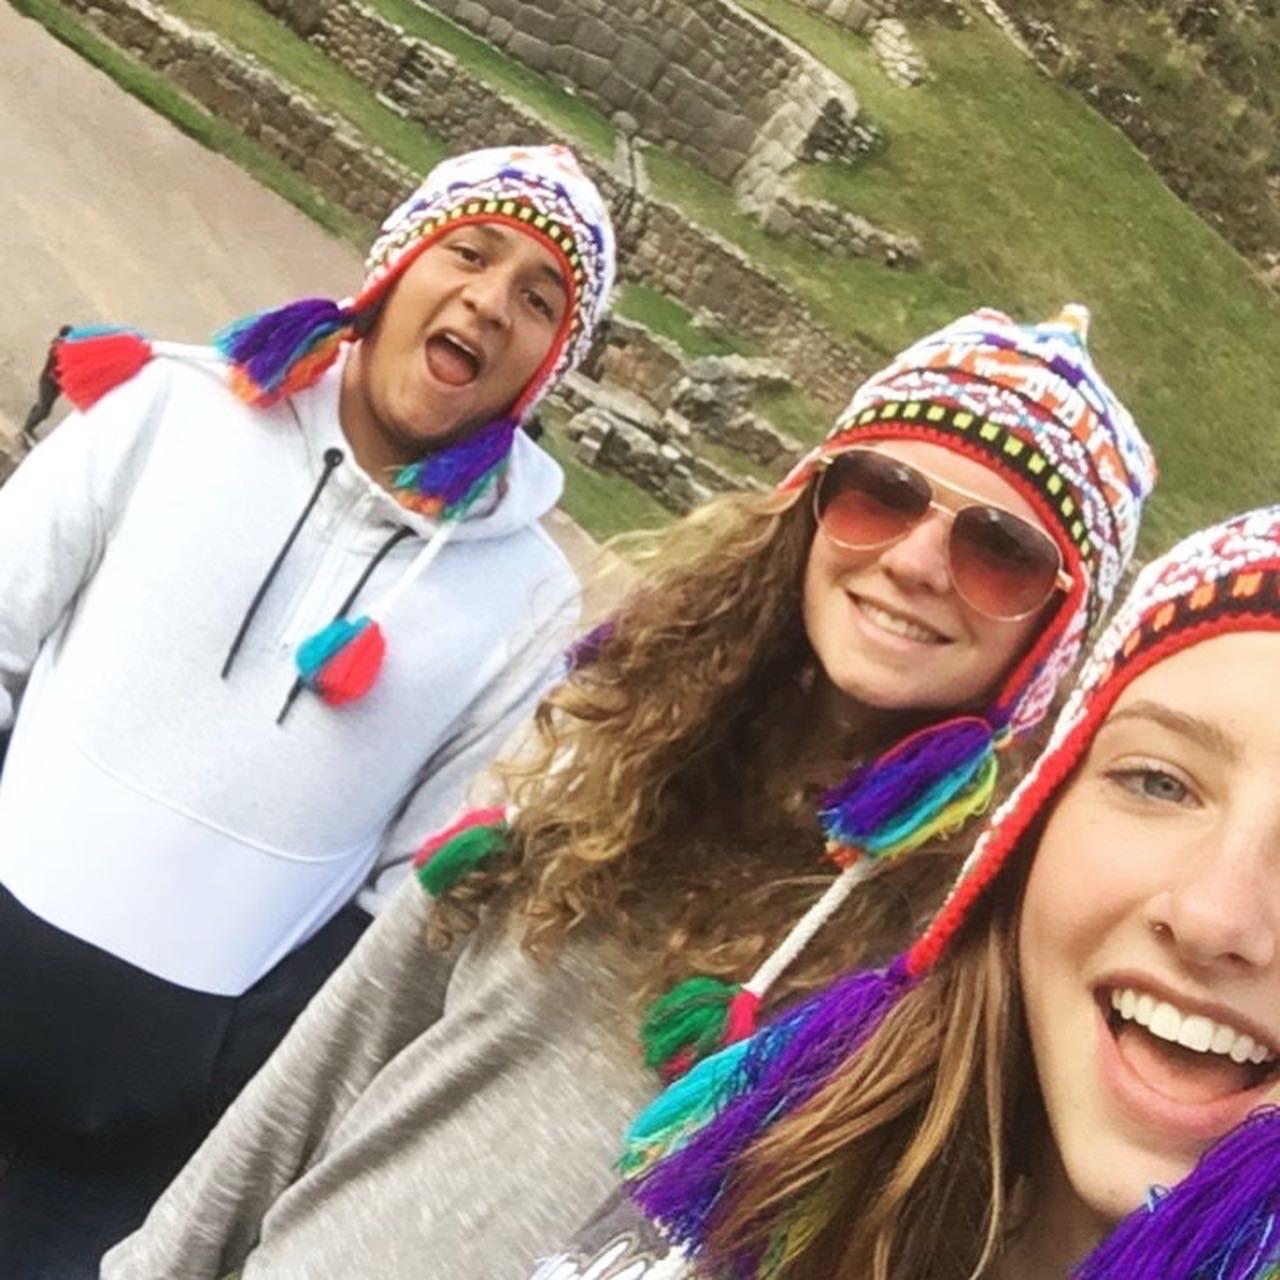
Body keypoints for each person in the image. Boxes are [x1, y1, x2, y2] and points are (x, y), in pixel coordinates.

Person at [103, 306, 1155, 1280]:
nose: (917, 559)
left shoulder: (967, 961)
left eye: (999, 551)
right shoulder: (620, 743)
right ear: (811, 504)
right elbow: (344, 1050)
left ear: (1055, 631)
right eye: (881, 491)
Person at [0, 143, 615, 1276]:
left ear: (546, 366)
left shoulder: (527, 603)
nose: (490, 300)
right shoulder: (164, 409)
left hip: (133, 1145)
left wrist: (220, 1070)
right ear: (396, 264)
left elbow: (408, 892)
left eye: (539, 298)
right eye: (469, 252)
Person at [574, 504, 1280, 1280]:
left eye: (1000, 549)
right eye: (1158, 781)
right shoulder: (783, 1152)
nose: (1215, 916)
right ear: (1034, 828)